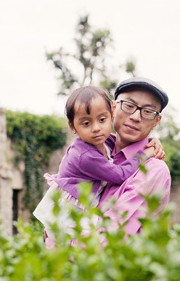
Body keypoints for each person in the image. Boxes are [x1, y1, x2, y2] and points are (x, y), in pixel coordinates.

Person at [34, 85, 163, 245]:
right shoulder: (86, 155)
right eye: (129, 106)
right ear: (73, 127)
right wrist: (144, 154)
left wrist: (150, 142)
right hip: (70, 212)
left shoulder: (105, 142)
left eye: (102, 120)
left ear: (111, 111)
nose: (96, 128)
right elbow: (120, 175)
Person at [98, 77, 172, 237]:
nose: (136, 117)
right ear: (113, 108)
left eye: (147, 112)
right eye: (129, 106)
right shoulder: (94, 152)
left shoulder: (153, 171)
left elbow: (111, 237)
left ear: (156, 121)